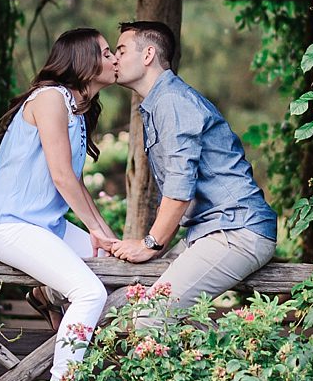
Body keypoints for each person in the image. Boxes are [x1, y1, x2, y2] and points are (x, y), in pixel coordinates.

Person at [0, 28, 118, 381]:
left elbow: (75, 182)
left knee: (112, 264)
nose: (114, 58)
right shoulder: (50, 98)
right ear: (84, 61)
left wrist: (105, 236)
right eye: (106, 53)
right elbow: (62, 177)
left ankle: (47, 294)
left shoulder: (78, 110)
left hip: (45, 228)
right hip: (8, 225)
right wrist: (97, 230)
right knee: (90, 293)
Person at [111, 21, 277, 304]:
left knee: (150, 317)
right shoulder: (161, 102)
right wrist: (156, 247)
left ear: (148, 55)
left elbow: (179, 187)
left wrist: (149, 244)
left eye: (121, 51)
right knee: (126, 301)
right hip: (210, 232)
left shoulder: (171, 101)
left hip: (235, 231)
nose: (115, 59)